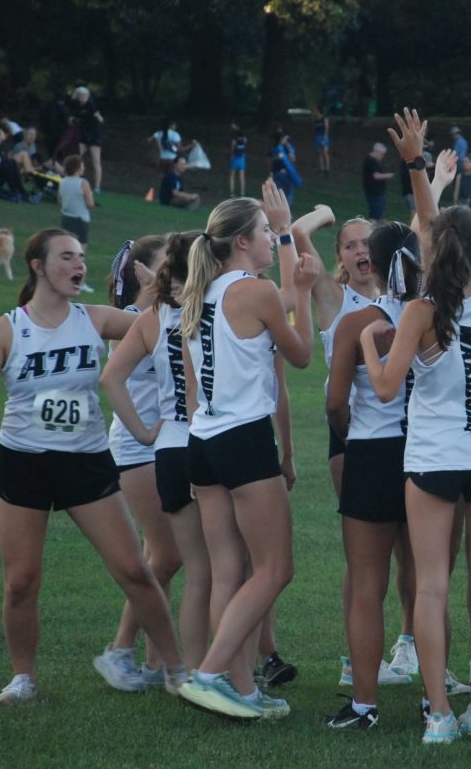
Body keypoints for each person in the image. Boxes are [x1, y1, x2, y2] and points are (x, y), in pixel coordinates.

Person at [0, 228, 188, 707]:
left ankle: (177, 670)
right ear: (38, 266)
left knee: (134, 570)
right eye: (66, 257)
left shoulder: (95, 319)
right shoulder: (8, 328)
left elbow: (167, 325)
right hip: (22, 463)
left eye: (82, 257)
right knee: (21, 582)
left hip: (86, 463)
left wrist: (162, 286)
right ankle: (23, 679)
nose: (78, 265)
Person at [360, 190, 471, 744]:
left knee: (431, 588)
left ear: (430, 252)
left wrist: (366, 342)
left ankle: (438, 714)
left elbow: (385, 389)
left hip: (433, 460)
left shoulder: (418, 311)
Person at [174, 192, 321, 720]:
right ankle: (211, 673)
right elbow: (301, 354)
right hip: (242, 440)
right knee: (275, 568)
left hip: (204, 443)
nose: (268, 238)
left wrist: (283, 238)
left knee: (229, 571)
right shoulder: (254, 292)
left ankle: (241, 690)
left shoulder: (201, 293)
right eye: (262, 231)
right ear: (242, 241)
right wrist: (302, 292)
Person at [323, 222, 425, 729]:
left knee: (367, 584)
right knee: (428, 584)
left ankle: (364, 705)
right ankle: (436, 701)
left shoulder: (357, 321)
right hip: (426, 454)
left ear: (376, 264)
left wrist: (351, 432)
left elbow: (334, 403)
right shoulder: (435, 315)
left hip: (370, 451)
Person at [90, 236, 186, 690]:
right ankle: (120, 650)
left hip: (159, 447)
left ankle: (153, 664)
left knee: (160, 556)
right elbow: (112, 380)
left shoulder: (160, 315)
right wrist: (144, 433)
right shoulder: (132, 319)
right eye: (166, 264)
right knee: (167, 555)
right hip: (137, 451)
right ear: (143, 273)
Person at [59, 155, 95, 254]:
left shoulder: (62, 181)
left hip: (66, 217)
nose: (84, 168)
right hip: (80, 219)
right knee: (81, 247)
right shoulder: (83, 183)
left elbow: (59, 200)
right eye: (82, 166)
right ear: (77, 168)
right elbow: (90, 203)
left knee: (67, 245)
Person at [71, 87, 105, 192]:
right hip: (84, 135)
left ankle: (97, 187)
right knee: (76, 156)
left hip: (94, 135)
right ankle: (73, 180)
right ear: (78, 96)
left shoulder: (91, 105)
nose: (83, 97)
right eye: (81, 95)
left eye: (85, 95)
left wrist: (99, 119)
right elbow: (77, 118)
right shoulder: (78, 106)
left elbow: (99, 118)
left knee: (96, 161)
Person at [362, 143, 393, 220]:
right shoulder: (370, 160)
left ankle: (374, 227)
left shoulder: (374, 160)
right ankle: (372, 227)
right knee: (376, 212)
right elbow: (376, 176)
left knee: (378, 211)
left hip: (377, 191)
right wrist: (388, 175)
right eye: (382, 154)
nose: (382, 156)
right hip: (374, 191)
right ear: (377, 152)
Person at [229, 124, 247, 197]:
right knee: (242, 176)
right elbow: (241, 132)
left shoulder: (234, 141)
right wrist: (236, 128)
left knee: (232, 176)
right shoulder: (245, 139)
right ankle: (242, 192)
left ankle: (232, 193)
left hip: (235, 158)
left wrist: (234, 128)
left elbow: (232, 150)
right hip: (242, 158)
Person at [314, 107, 331, 176]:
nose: (314, 112)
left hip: (323, 137)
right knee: (320, 153)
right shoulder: (316, 120)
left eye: (315, 111)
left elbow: (327, 128)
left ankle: (327, 169)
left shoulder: (324, 119)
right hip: (317, 137)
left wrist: (324, 137)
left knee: (325, 153)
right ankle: (322, 169)